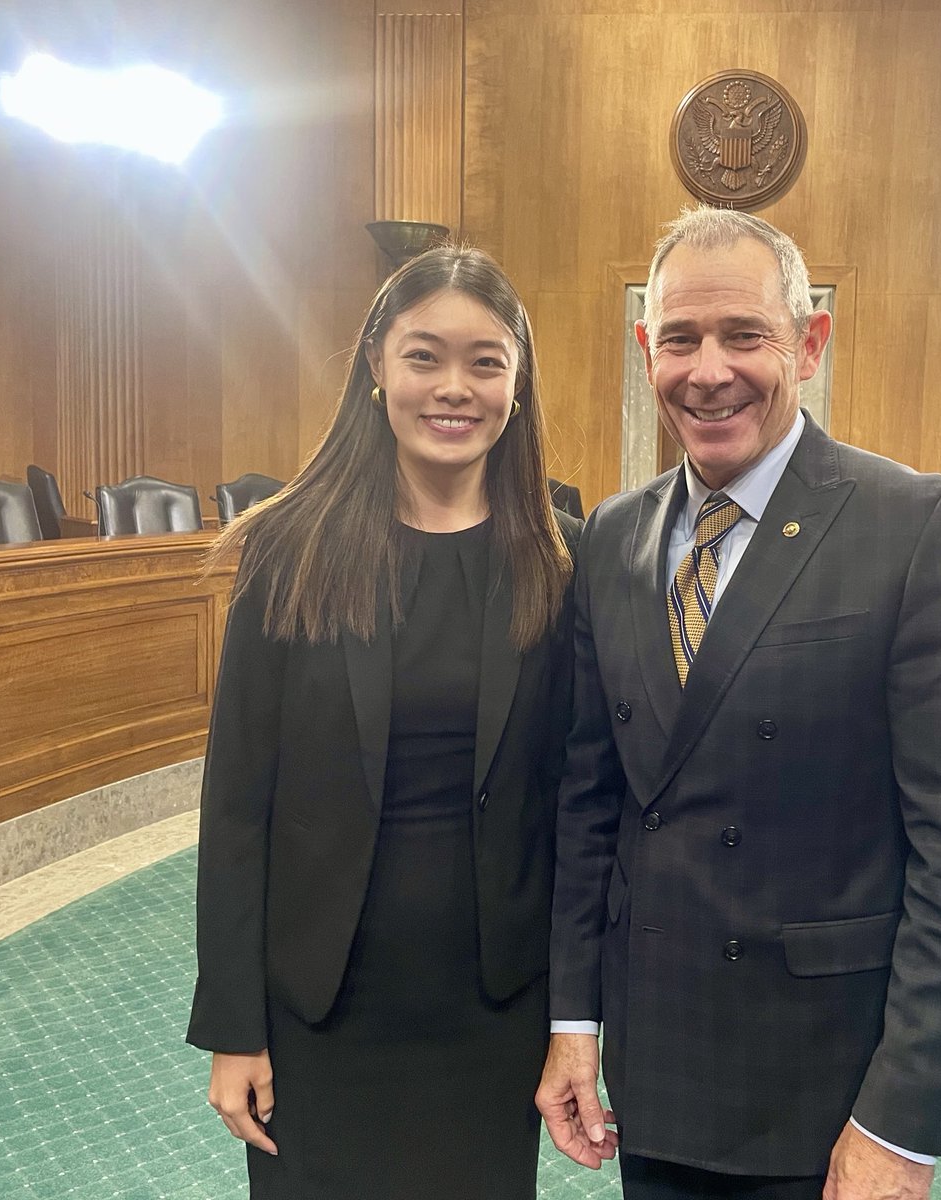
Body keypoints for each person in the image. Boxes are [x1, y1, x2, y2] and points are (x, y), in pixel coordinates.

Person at [536, 207, 941, 1200]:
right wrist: (576, 1022)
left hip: (826, 1085)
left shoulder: (915, 529)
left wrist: (901, 1121)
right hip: (661, 1064)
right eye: (679, 338)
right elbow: (591, 806)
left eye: (743, 335)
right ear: (646, 351)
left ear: (809, 343)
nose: (707, 369)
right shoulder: (610, 542)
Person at [186, 246, 580, 1199]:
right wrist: (235, 1025)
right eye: (424, 356)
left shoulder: (562, 552)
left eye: (486, 361)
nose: (455, 387)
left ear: (518, 382)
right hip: (320, 1011)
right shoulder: (291, 548)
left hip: (492, 1014)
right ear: (375, 366)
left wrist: (578, 1020)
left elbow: (576, 806)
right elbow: (237, 805)